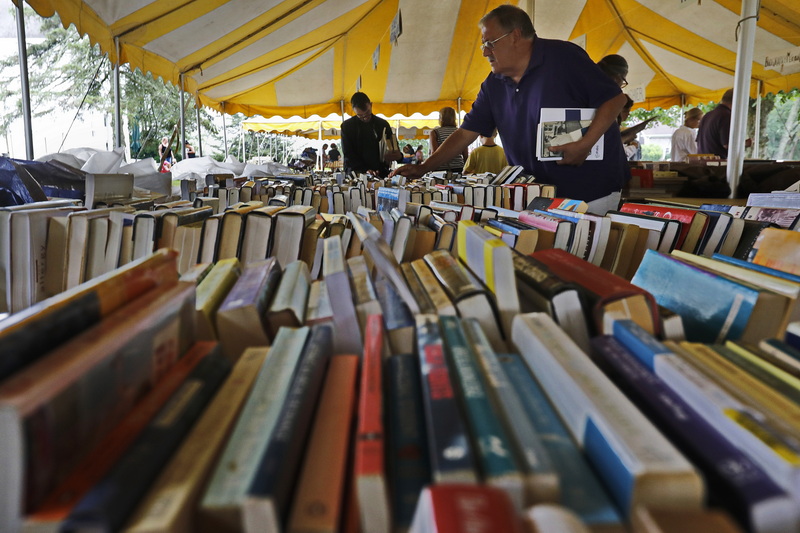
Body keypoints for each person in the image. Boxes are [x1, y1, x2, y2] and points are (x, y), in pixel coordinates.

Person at [391, 5, 628, 214]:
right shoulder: (493, 84)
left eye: (490, 43)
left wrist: (584, 145)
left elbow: (615, 99)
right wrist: (423, 167)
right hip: (537, 197)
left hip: (591, 193)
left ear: (515, 36)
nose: (485, 52)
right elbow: (466, 133)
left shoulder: (563, 57)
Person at [341, 92, 403, 177]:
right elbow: (348, 154)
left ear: (371, 105)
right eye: (360, 116)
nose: (365, 118)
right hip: (356, 173)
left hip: (380, 172)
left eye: (367, 113)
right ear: (354, 111)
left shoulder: (382, 124)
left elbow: (394, 148)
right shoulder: (347, 126)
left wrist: (398, 156)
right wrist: (365, 170)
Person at [430, 106, 469, 173]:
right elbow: (465, 154)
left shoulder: (435, 133)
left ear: (441, 118)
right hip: (458, 168)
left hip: (440, 169)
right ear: (454, 118)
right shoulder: (460, 132)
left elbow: (434, 153)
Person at [697, 88, 734, 158]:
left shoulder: (707, 115)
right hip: (717, 164)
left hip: (703, 162)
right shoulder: (726, 115)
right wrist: (745, 143)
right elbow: (727, 144)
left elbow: (699, 141)